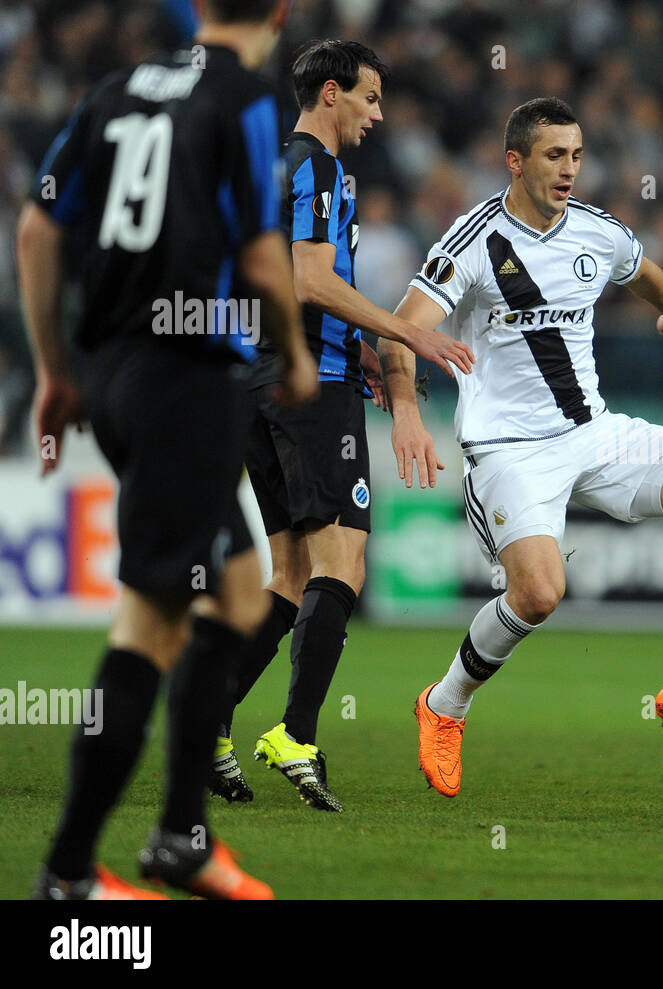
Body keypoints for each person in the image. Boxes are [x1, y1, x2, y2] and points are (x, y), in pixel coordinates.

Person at [378, 97, 663, 798]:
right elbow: (400, 329)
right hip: (508, 451)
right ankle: (444, 703)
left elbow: (640, 265)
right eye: (555, 155)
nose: (569, 169)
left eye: (578, 155)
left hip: (596, 434)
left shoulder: (595, 230)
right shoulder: (471, 242)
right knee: (538, 592)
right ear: (515, 161)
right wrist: (405, 407)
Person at [19, 0, 316, 899]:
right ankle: (69, 873)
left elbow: (37, 229)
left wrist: (53, 371)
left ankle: (184, 833)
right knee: (151, 623)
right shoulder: (247, 98)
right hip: (187, 384)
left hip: (114, 373)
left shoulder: (118, 89)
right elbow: (264, 257)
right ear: (281, 10)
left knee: (230, 588)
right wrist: (296, 355)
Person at [214, 40, 474, 812]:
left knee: (291, 576)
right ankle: (295, 732)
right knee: (344, 564)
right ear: (331, 94)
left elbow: (275, 283)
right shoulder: (321, 170)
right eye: (369, 97)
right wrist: (408, 335)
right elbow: (312, 278)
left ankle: (208, 724)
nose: (378, 113)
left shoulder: (267, 167)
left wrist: (354, 341)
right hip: (309, 386)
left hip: (256, 381)